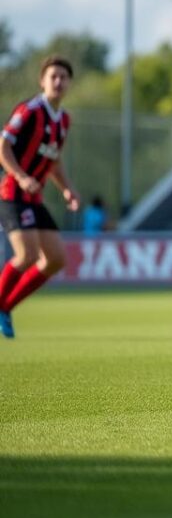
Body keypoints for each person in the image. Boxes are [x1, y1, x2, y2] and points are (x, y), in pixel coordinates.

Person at [0, 55, 79, 338]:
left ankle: (5, 306)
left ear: (69, 83)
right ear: (42, 81)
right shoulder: (30, 111)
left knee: (56, 258)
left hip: (34, 198)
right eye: (53, 76)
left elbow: (54, 161)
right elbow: (3, 146)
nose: (58, 81)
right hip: (12, 193)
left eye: (63, 77)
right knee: (28, 255)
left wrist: (67, 189)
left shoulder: (64, 120)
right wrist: (21, 176)